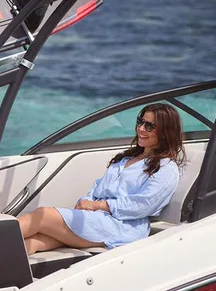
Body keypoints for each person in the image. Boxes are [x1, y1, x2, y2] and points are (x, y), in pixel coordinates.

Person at [18, 103, 185, 255]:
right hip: (98, 219)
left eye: (149, 126)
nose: (141, 128)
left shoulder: (166, 168)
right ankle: (1, 271)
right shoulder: (126, 159)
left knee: (42, 215)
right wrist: (86, 202)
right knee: (37, 240)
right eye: (140, 122)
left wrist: (98, 205)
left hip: (123, 226)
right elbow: (98, 188)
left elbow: (142, 205)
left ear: (165, 132)